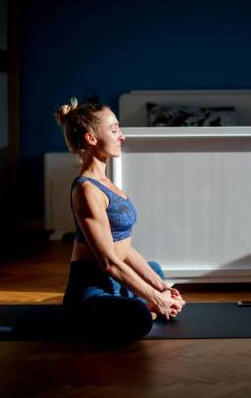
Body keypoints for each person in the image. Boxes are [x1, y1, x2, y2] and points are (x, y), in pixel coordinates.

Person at [55, 97, 185, 344]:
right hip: (94, 290)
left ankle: (142, 304)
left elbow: (124, 247)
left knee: (154, 269)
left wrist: (163, 288)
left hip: (116, 284)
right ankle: (139, 309)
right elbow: (109, 263)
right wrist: (157, 300)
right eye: (114, 130)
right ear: (91, 139)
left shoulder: (107, 184)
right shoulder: (86, 189)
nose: (122, 136)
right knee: (139, 316)